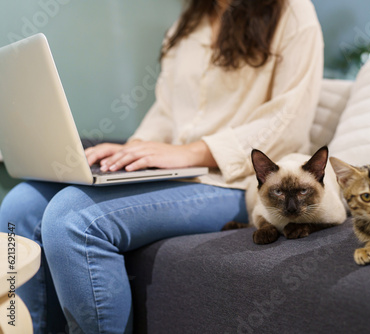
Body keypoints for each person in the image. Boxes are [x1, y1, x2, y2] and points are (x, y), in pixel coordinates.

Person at [0, 0, 324, 332]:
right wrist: (131, 152)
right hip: (178, 171)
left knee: (71, 218)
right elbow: (167, 112)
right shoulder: (190, 21)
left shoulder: (293, 12)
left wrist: (191, 153)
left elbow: (288, 121)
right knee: (19, 205)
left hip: (236, 181)